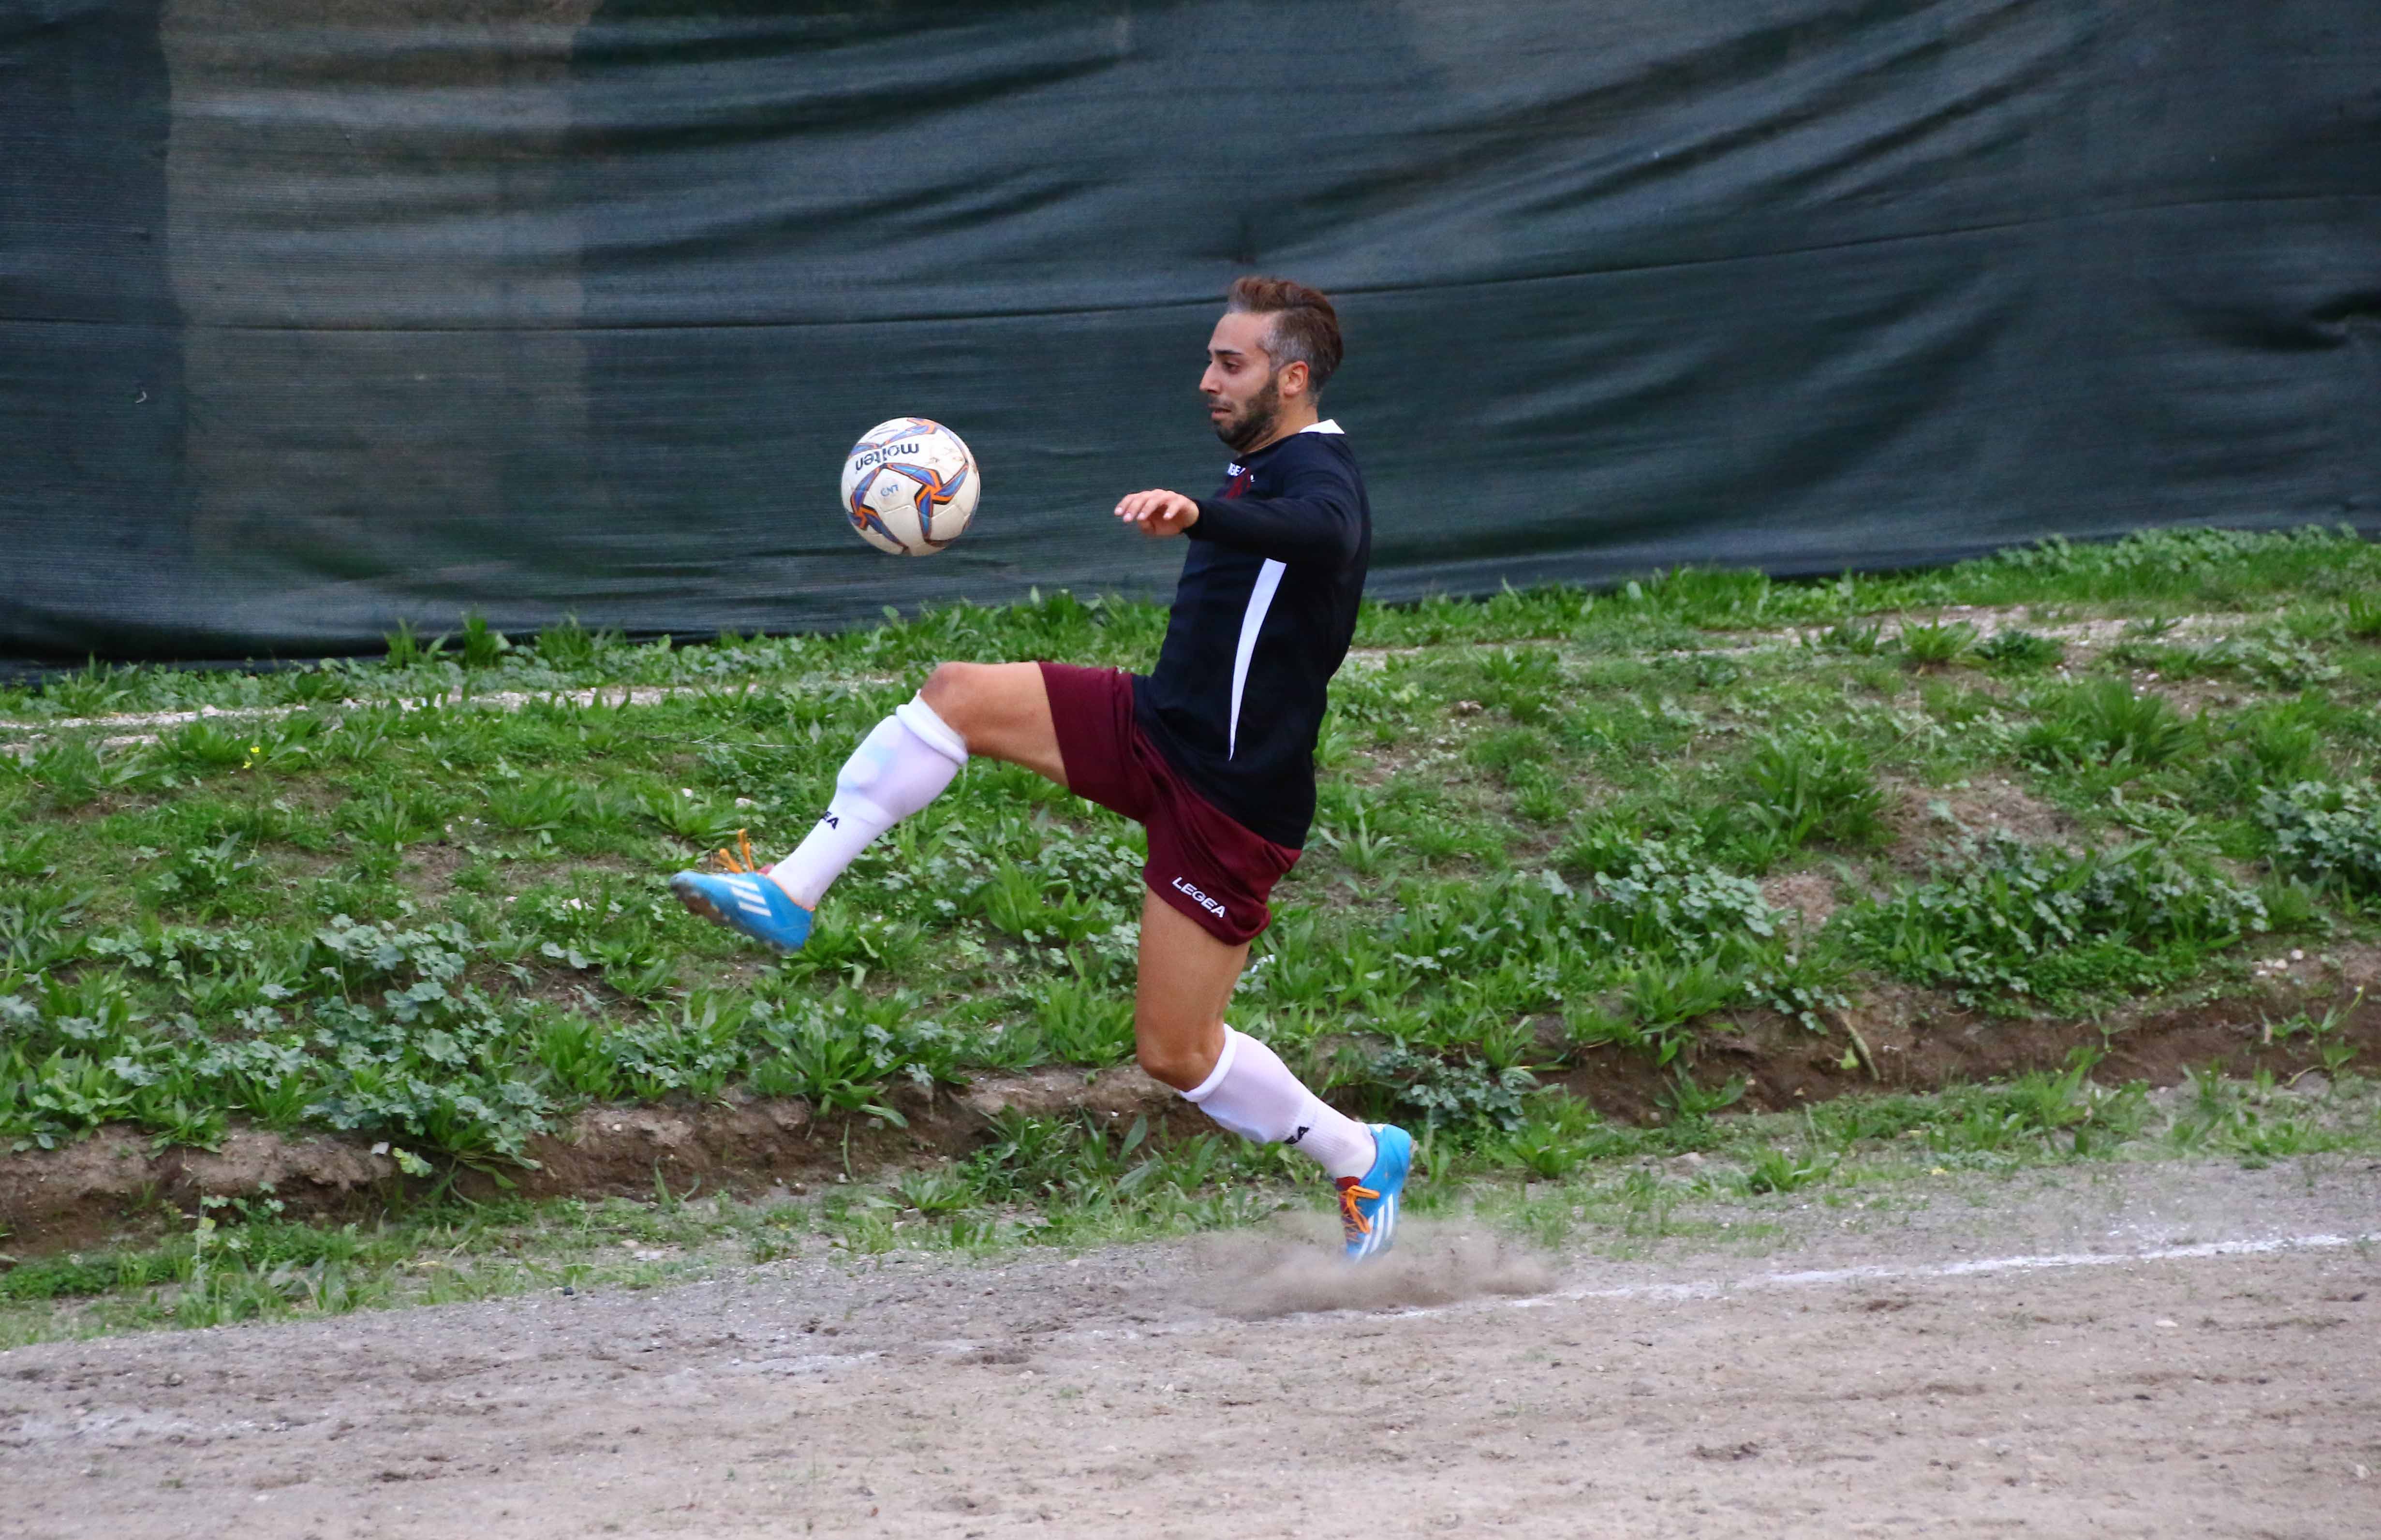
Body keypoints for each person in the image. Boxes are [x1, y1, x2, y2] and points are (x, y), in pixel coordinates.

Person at [670, 276, 1412, 1259]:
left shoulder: (1319, 474)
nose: (1206, 380)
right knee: (957, 694)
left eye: (1228, 364)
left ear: (1294, 376)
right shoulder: (1257, 470)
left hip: (1232, 799)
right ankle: (789, 888)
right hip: (1158, 723)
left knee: (1174, 1052)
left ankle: (1361, 1153)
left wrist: (1196, 516)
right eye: (1207, 359)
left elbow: (1324, 536)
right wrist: (1208, 512)